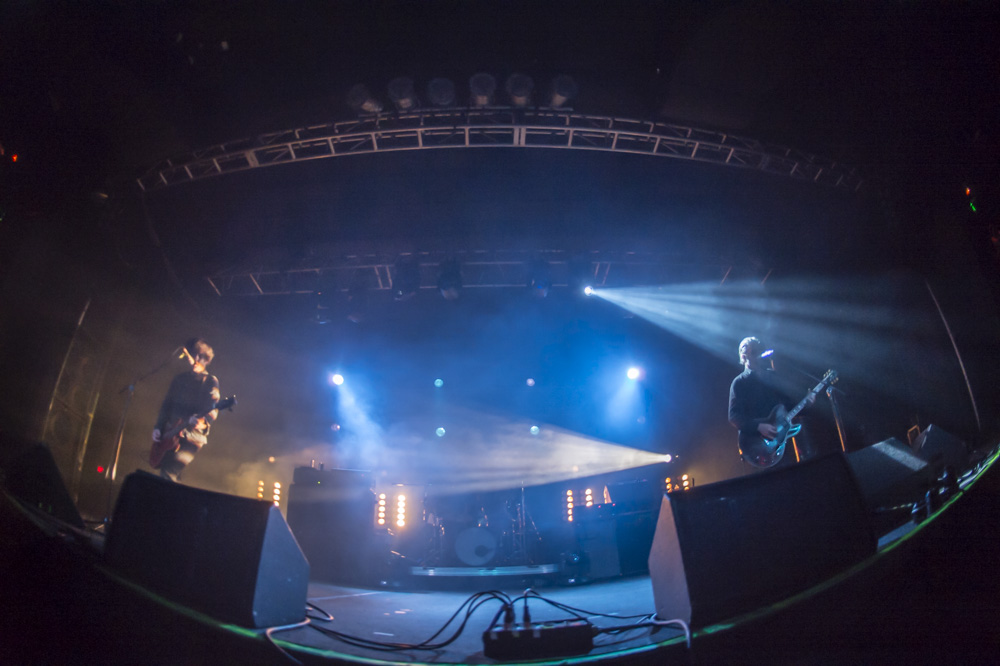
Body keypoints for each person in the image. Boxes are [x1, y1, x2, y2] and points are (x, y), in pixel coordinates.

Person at [728, 336, 813, 470]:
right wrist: (759, 427)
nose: (758, 354)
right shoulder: (739, 383)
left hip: (780, 443)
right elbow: (734, 416)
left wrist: (806, 404)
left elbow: (787, 406)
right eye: (754, 352)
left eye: (759, 350)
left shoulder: (772, 376)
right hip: (755, 445)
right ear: (744, 357)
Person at [151, 338, 220, 482]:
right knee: (167, 473)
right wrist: (158, 427)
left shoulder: (210, 381)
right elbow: (167, 404)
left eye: (199, 358)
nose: (195, 361)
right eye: (192, 357)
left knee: (169, 471)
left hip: (192, 437)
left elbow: (213, 408)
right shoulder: (179, 379)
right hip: (171, 432)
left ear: (206, 360)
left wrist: (202, 423)